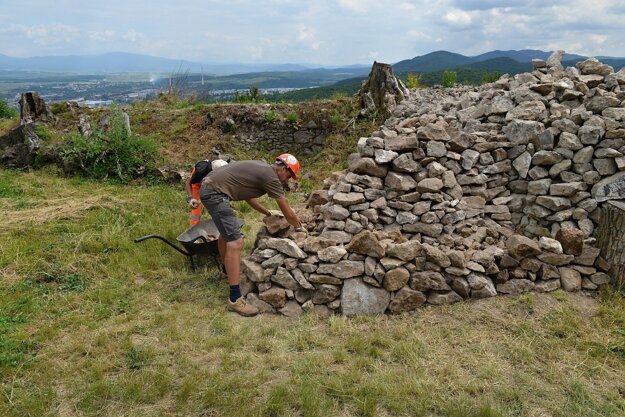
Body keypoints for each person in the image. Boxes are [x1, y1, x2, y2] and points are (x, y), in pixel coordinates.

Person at [199, 153, 305, 316]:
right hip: (215, 194)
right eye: (290, 175)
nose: (288, 179)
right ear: (283, 168)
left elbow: (248, 197)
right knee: (236, 242)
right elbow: (287, 210)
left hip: (210, 187)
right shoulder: (272, 178)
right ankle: (235, 299)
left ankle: (225, 272)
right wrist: (299, 227)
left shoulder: (261, 168)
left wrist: (267, 212)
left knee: (225, 234)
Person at [185, 159, 228, 225]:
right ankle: (194, 227)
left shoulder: (223, 171)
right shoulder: (200, 171)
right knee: (196, 208)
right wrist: (191, 198)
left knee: (219, 206)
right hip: (197, 184)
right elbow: (188, 182)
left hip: (211, 185)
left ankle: (222, 226)